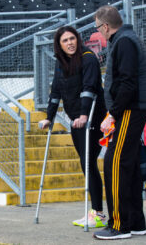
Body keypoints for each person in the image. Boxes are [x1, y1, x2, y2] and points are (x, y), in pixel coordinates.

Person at [93, 6, 146, 240]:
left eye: (98, 28)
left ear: (106, 27)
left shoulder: (124, 42)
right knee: (129, 166)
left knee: (115, 164)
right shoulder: (127, 39)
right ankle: (136, 222)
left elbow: (127, 83)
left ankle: (119, 225)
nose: (99, 33)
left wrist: (112, 115)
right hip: (133, 109)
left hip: (129, 110)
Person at [38, 26, 107, 228]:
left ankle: (99, 214)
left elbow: (89, 88)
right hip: (76, 119)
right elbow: (55, 93)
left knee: (88, 162)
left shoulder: (88, 58)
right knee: (85, 163)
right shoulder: (62, 64)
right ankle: (97, 212)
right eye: (65, 41)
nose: (69, 43)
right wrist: (49, 118)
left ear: (77, 39)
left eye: (72, 38)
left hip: (93, 117)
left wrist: (84, 114)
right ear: (59, 45)